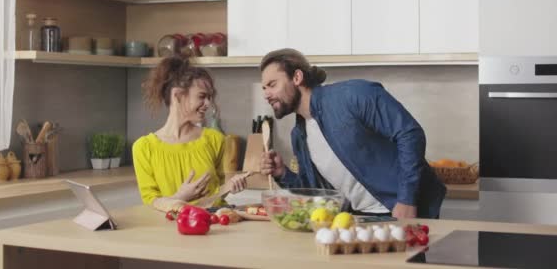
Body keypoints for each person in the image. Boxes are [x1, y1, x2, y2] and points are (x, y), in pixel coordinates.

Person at [259, 49, 445, 219]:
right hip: (357, 219)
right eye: (264, 88)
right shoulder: (299, 136)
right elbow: (315, 194)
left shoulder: (354, 95)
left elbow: (410, 134)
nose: (266, 94)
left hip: (402, 211)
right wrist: (282, 174)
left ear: (297, 77)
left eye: (272, 84)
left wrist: (407, 200)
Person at [133, 56, 247, 211]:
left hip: (215, 224)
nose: (208, 104)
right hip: (171, 229)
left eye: (209, 97)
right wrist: (180, 197)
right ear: (177, 96)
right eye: (202, 96)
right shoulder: (144, 147)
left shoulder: (214, 139)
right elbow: (150, 202)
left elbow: (217, 194)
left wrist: (229, 187)